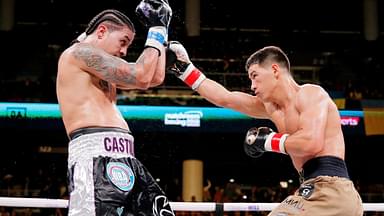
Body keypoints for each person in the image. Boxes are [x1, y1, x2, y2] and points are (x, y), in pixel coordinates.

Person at [166, 42, 363, 215]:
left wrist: (268, 141)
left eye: (255, 76)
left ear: (275, 70)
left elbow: (311, 143)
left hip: (332, 191)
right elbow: (225, 98)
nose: (252, 85)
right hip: (313, 188)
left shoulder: (311, 94)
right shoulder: (272, 109)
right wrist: (186, 70)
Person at [56, 1, 175, 215]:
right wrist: (155, 30)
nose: (124, 50)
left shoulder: (101, 68)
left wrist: (162, 30)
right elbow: (141, 75)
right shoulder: (78, 54)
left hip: (126, 157)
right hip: (94, 159)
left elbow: (154, 77)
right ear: (102, 31)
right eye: (123, 41)